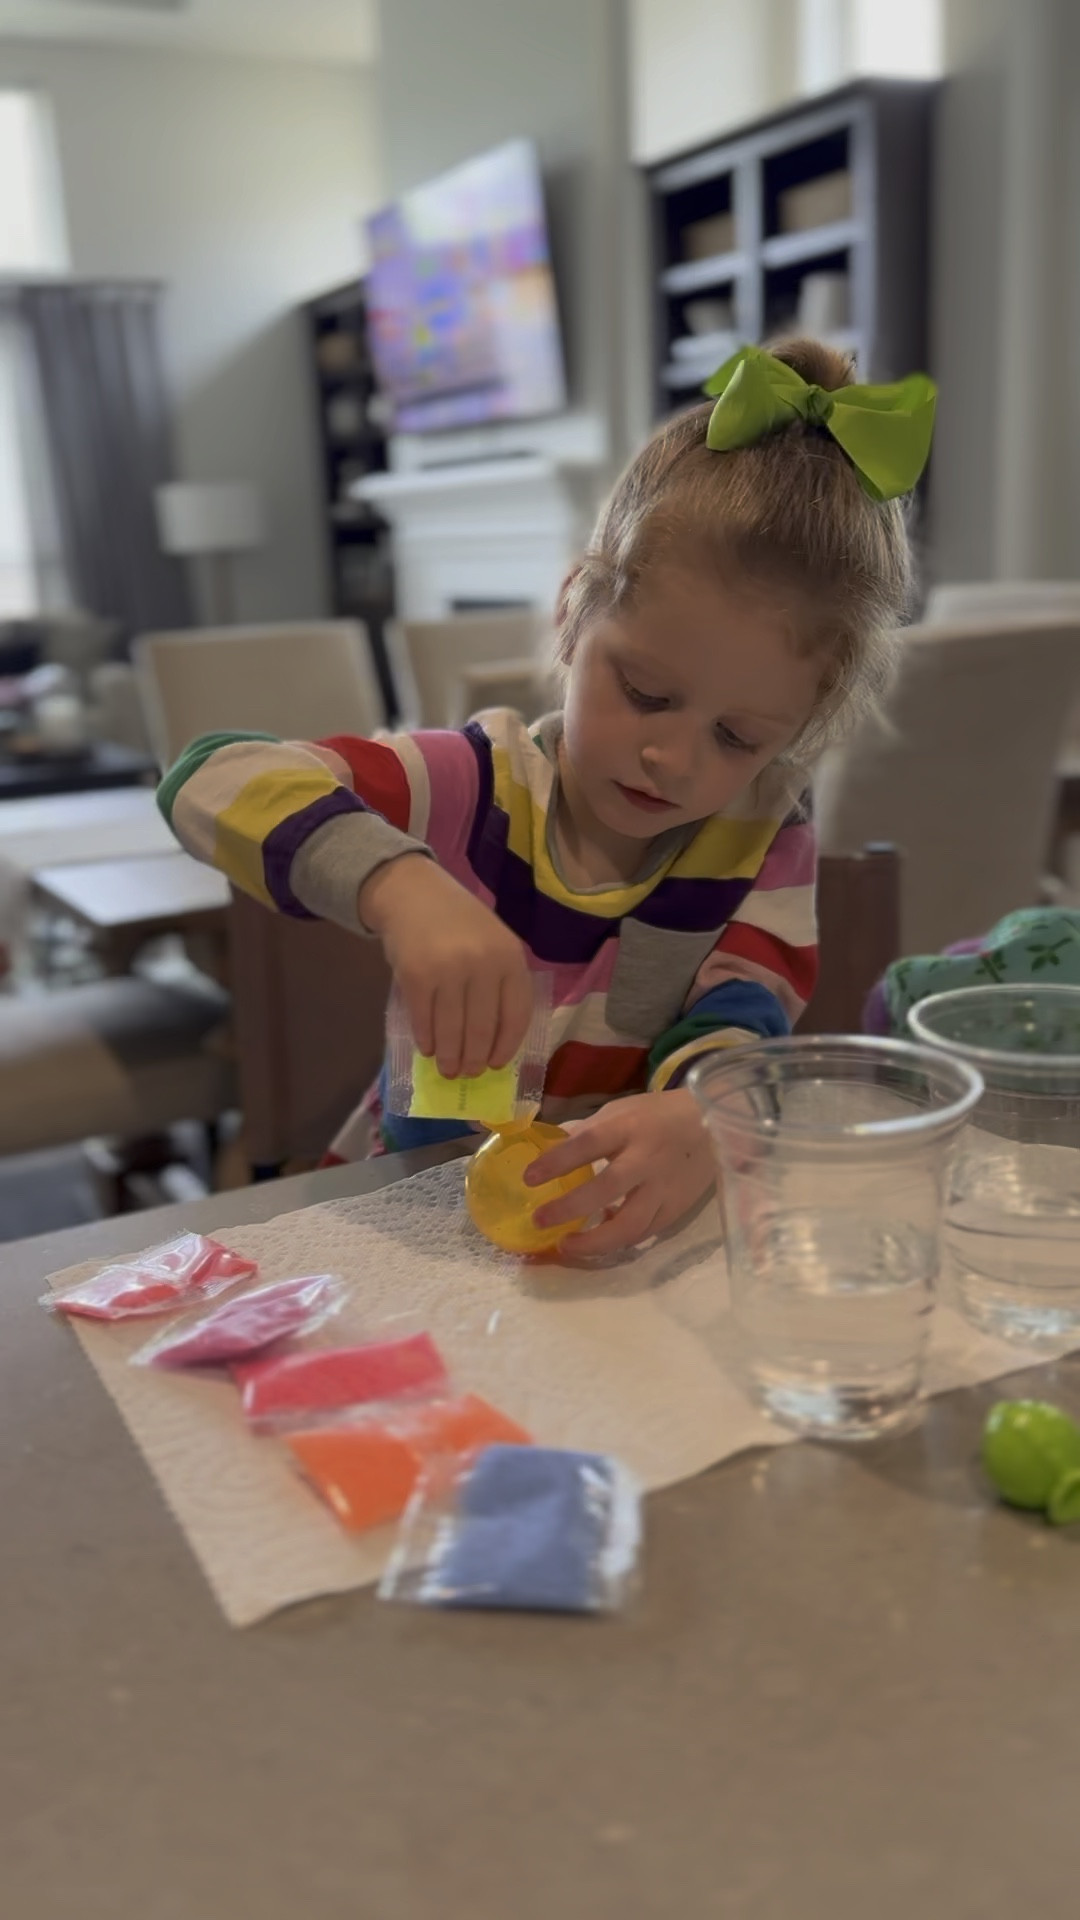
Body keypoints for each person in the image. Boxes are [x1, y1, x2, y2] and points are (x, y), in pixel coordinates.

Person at [159, 339, 932, 1257]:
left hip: (601, 1228)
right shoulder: (469, 785)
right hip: (411, 1220)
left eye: (739, 737)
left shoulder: (762, 829)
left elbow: (741, 1018)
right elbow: (208, 775)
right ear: (574, 612)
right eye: (645, 692)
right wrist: (402, 888)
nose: (672, 759)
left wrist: (703, 1115)